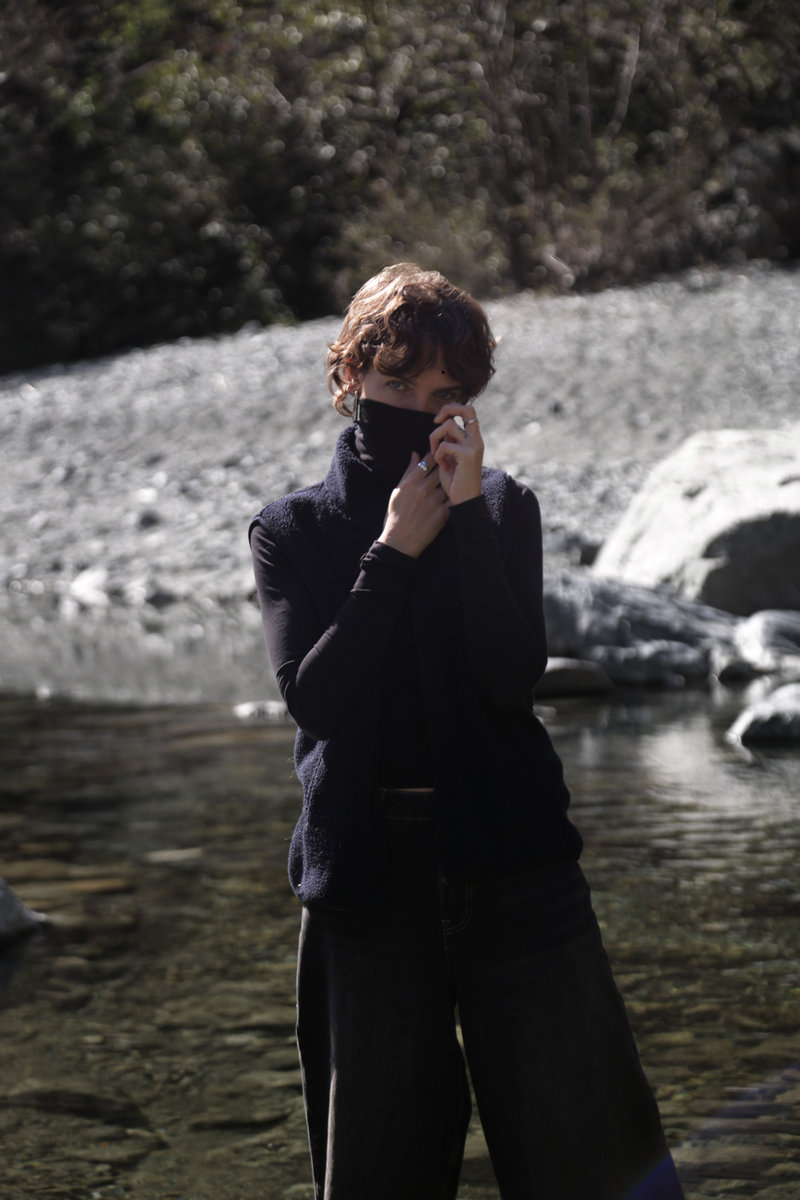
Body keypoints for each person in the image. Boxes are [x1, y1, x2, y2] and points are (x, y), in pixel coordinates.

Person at [249, 263, 685, 1200]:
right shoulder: (292, 529)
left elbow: (507, 678)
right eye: (397, 383)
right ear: (351, 376)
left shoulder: (503, 508)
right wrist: (392, 553)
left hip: (516, 863)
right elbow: (316, 700)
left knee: (594, 1156)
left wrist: (468, 518)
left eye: (443, 393)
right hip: (365, 880)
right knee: (379, 1172)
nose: (419, 409)